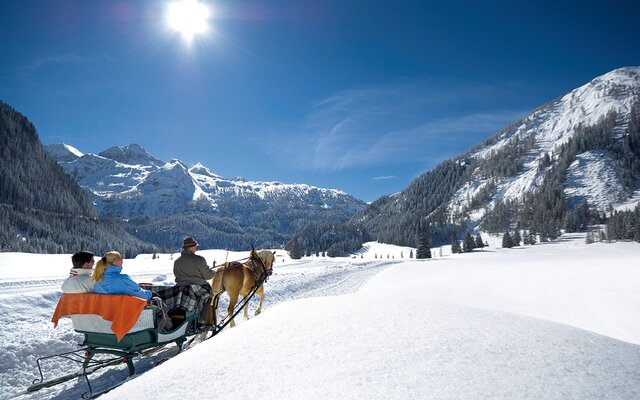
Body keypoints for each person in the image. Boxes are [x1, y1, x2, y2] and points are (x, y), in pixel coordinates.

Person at [173, 237, 215, 324]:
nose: (196, 249)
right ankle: (202, 319)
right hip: (197, 288)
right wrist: (214, 272)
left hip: (181, 289)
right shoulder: (199, 259)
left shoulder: (177, 261)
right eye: (195, 247)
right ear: (192, 247)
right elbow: (208, 275)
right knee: (209, 295)